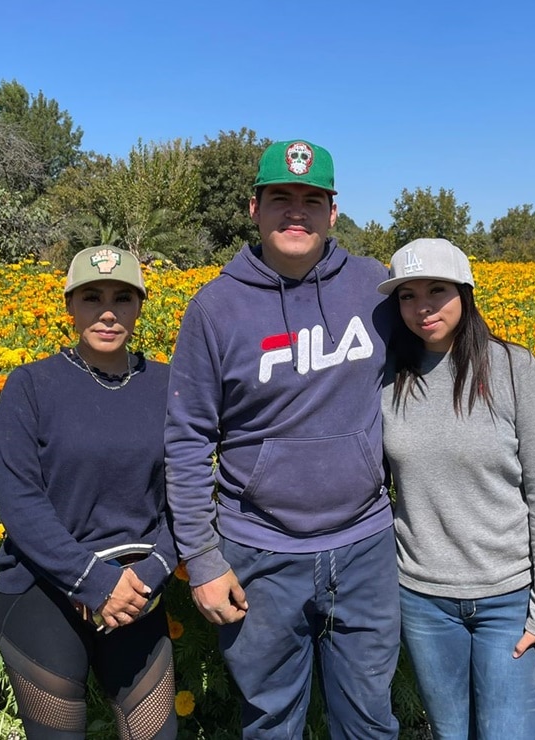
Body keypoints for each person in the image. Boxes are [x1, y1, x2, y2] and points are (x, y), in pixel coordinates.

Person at [164, 139, 400, 738]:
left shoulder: (377, 291)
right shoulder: (214, 309)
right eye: (281, 199)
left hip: (366, 546)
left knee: (370, 722)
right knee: (270, 722)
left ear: (332, 212)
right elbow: (188, 438)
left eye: (310, 200)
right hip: (258, 554)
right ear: (255, 208)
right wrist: (202, 556)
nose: (296, 212)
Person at [377, 238, 535, 740]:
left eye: (437, 290)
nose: (423, 307)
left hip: (509, 598)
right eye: (407, 295)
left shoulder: (514, 369)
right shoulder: (386, 379)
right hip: (423, 599)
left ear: (465, 292)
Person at [0, 245, 177, 740]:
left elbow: (187, 493)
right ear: (69, 306)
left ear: (140, 306)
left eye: (123, 297)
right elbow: (19, 503)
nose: (108, 312)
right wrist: (93, 583)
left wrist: (152, 572)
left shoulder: (166, 384)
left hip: (137, 591)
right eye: (92, 297)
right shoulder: (31, 386)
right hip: (44, 590)